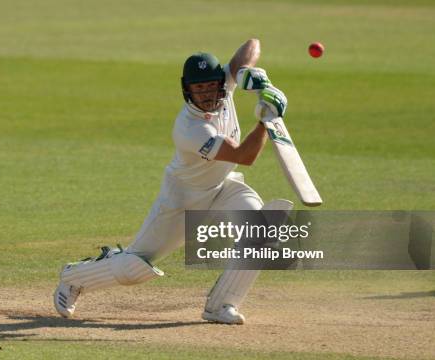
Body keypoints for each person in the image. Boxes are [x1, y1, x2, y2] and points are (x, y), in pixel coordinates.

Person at [53, 39, 291, 324]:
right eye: (197, 88)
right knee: (133, 268)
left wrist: (250, 75)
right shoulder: (190, 128)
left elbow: (250, 46)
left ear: (220, 83)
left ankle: (220, 305)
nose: (205, 94)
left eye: (210, 86)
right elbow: (245, 156)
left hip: (222, 188)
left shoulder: (224, 87)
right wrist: (266, 119)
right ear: (187, 90)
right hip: (182, 201)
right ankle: (74, 277)